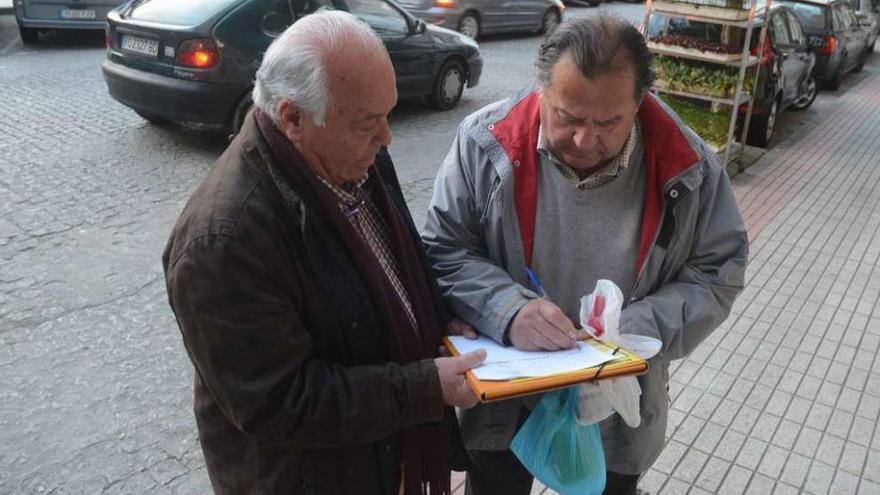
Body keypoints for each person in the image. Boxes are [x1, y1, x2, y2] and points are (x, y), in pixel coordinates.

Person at [423, 13, 749, 495]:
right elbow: (446, 247)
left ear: (640, 104)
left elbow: (717, 273)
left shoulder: (688, 166)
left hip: (616, 404)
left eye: (607, 122)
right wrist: (507, 309)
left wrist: (627, 336)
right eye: (568, 117)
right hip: (506, 397)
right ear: (541, 92)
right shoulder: (485, 143)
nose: (583, 140)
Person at [162, 11, 485, 495]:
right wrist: (425, 387)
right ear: (292, 117)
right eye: (367, 123)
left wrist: (439, 321)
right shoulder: (222, 242)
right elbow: (279, 403)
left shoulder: (354, 156)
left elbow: (398, 268)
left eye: (388, 115)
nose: (387, 137)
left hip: (386, 460)